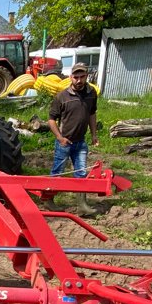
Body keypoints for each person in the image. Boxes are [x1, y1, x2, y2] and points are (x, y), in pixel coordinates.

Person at [48, 62, 100, 214]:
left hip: (80, 142)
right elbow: (51, 119)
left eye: (81, 77)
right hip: (65, 142)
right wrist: (60, 138)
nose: (78, 80)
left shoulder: (91, 94)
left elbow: (92, 114)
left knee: (81, 173)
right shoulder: (62, 97)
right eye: (75, 77)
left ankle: (82, 205)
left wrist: (94, 134)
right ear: (70, 77)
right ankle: (49, 200)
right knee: (57, 172)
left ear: (86, 76)